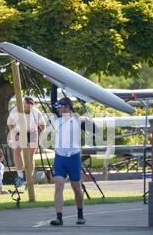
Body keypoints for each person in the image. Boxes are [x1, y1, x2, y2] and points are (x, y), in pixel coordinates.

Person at [50, 87, 90, 226]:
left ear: (68, 108)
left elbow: (93, 129)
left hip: (73, 157)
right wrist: (53, 85)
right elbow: (52, 102)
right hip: (60, 157)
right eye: (58, 109)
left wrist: (86, 121)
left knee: (76, 188)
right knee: (59, 185)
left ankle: (80, 215)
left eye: (61, 108)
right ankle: (59, 217)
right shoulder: (57, 118)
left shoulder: (77, 119)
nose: (59, 111)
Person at [7, 96, 46, 187]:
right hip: (19, 131)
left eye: (29, 107)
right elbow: (10, 124)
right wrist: (14, 134)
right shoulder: (15, 110)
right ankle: (20, 177)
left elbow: (43, 127)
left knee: (30, 155)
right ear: (22, 104)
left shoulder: (36, 112)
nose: (27, 109)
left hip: (32, 131)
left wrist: (38, 141)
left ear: (33, 106)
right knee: (16, 151)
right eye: (25, 107)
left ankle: (29, 178)